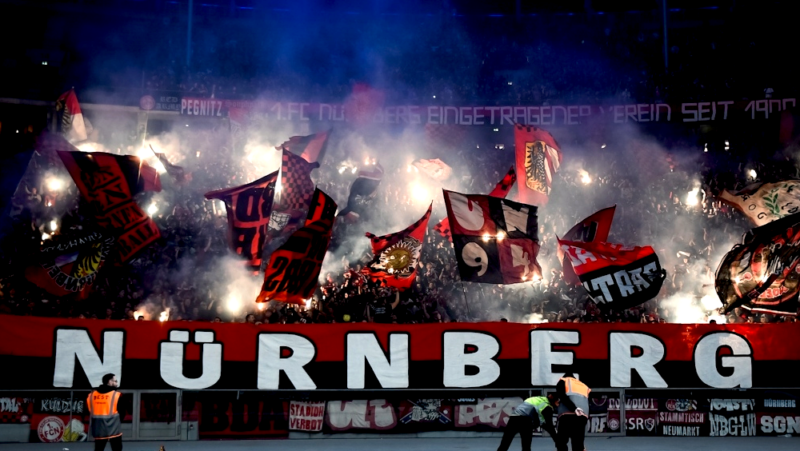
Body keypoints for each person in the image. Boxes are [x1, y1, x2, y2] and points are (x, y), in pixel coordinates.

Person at [87, 373, 123, 451]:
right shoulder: (116, 395)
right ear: (110, 382)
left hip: (98, 428)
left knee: (98, 449)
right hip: (114, 428)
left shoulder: (92, 395)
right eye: (115, 381)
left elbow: (88, 409)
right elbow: (122, 412)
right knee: (117, 449)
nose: (117, 383)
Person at [555, 373, 590, 451]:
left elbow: (562, 396)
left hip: (567, 415)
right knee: (578, 444)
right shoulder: (583, 385)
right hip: (582, 416)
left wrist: (574, 408)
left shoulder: (563, 380)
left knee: (561, 442)